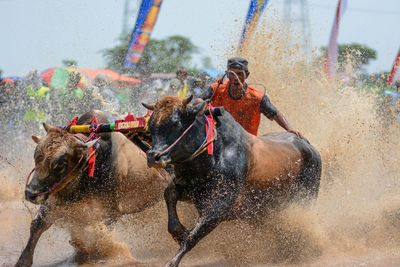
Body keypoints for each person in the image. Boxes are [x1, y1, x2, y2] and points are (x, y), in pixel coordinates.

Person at [201, 57, 303, 137]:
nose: (236, 78)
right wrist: (197, 104)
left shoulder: (257, 98)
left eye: (240, 74)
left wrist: (289, 129)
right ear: (227, 75)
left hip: (247, 143)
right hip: (220, 138)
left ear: (247, 75)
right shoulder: (216, 89)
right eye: (232, 74)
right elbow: (199, 101)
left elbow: (275, 114)